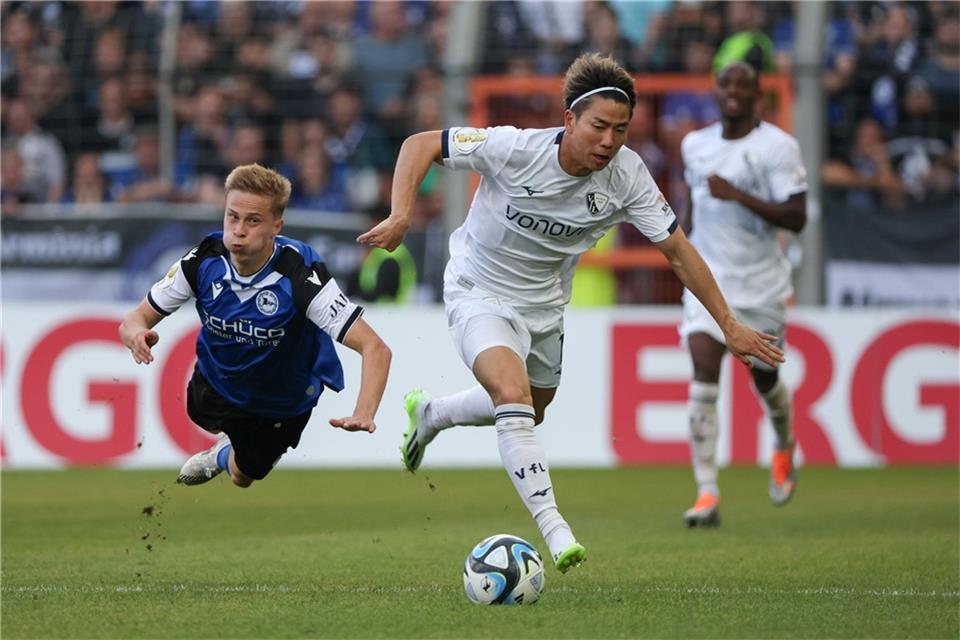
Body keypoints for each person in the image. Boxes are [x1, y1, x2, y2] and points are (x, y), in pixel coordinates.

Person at [358, 53, 784, 572]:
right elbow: (419, 144)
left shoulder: (627, 176)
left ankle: (433, 414)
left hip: (545, 307)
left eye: (621, 130)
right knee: (510, 395)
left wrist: (730, 324)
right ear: (569, 121)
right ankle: (555, 531)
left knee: (530, 409)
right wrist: (402, 214)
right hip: (478, 289)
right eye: (599, 127)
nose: (610, 141)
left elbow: (678, 250)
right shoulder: (514, 148)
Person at [119, 163, 391, 488]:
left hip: (281, 402)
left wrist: (364, 411)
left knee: (242, 477)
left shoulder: (300, 275)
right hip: (216, 386)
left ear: (277, 225)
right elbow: (135, 318)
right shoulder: (204, 260)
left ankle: (221, 455)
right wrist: (135, 333)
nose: (238, 230)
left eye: (253, 220)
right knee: (197, 411)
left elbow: (376, 347)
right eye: (232, 217)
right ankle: (227, 444)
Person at [679, 62, 807, 528]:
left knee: (765, 381)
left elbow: (797, 217)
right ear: (716, 93)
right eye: (726, 84)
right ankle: (706, 493)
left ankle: (784, 444)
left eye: (743, 86)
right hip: (710, 282)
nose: (733, 92)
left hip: (761, 285)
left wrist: (738, 196)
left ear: (758, 97)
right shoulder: (696, 145)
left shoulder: (777, 147)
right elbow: (692, 209)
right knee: (703, 375)